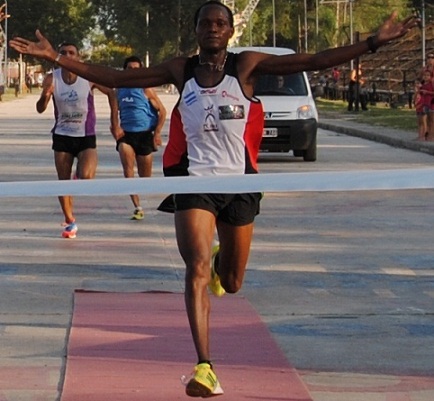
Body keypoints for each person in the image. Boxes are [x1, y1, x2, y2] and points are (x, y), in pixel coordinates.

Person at [10, 1, 418, 397]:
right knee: (197, 268)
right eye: (205, 23)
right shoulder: (181, 70)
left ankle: (224, 264)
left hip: (239, 183)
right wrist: (56, 59)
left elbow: (314, 60)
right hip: (194, 184)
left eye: (220, 23)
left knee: (233, 282)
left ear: (230, 30)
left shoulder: (247, 66)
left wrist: (373, 42)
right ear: (196, 30)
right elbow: (116, 78)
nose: (213, 28)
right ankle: (204, 366)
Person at [35, 42, 121, 238]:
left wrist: (114, 122)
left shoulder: (87, 76)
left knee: (86, 176)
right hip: (62, 136)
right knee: (62, 183)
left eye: (71, 53)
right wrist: (45, 96)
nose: (67, 55)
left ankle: (77, 176)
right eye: (63, 52)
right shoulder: (52, 78)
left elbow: (112, 92)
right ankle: (70, 221)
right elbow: (40, 108)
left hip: (85, 135)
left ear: (78, 57)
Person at [115, 56, 166, 220]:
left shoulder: (146, 89)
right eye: (129, 69)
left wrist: (157, 133)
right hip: (126, 135)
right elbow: (114, 112)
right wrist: (115, 126)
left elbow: (163, 111)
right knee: (128, 170)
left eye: (136, 69)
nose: (132, 72)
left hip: (144, 135)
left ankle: (141, 197)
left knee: (145, 178)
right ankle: (137, 207)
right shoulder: (119, 90)